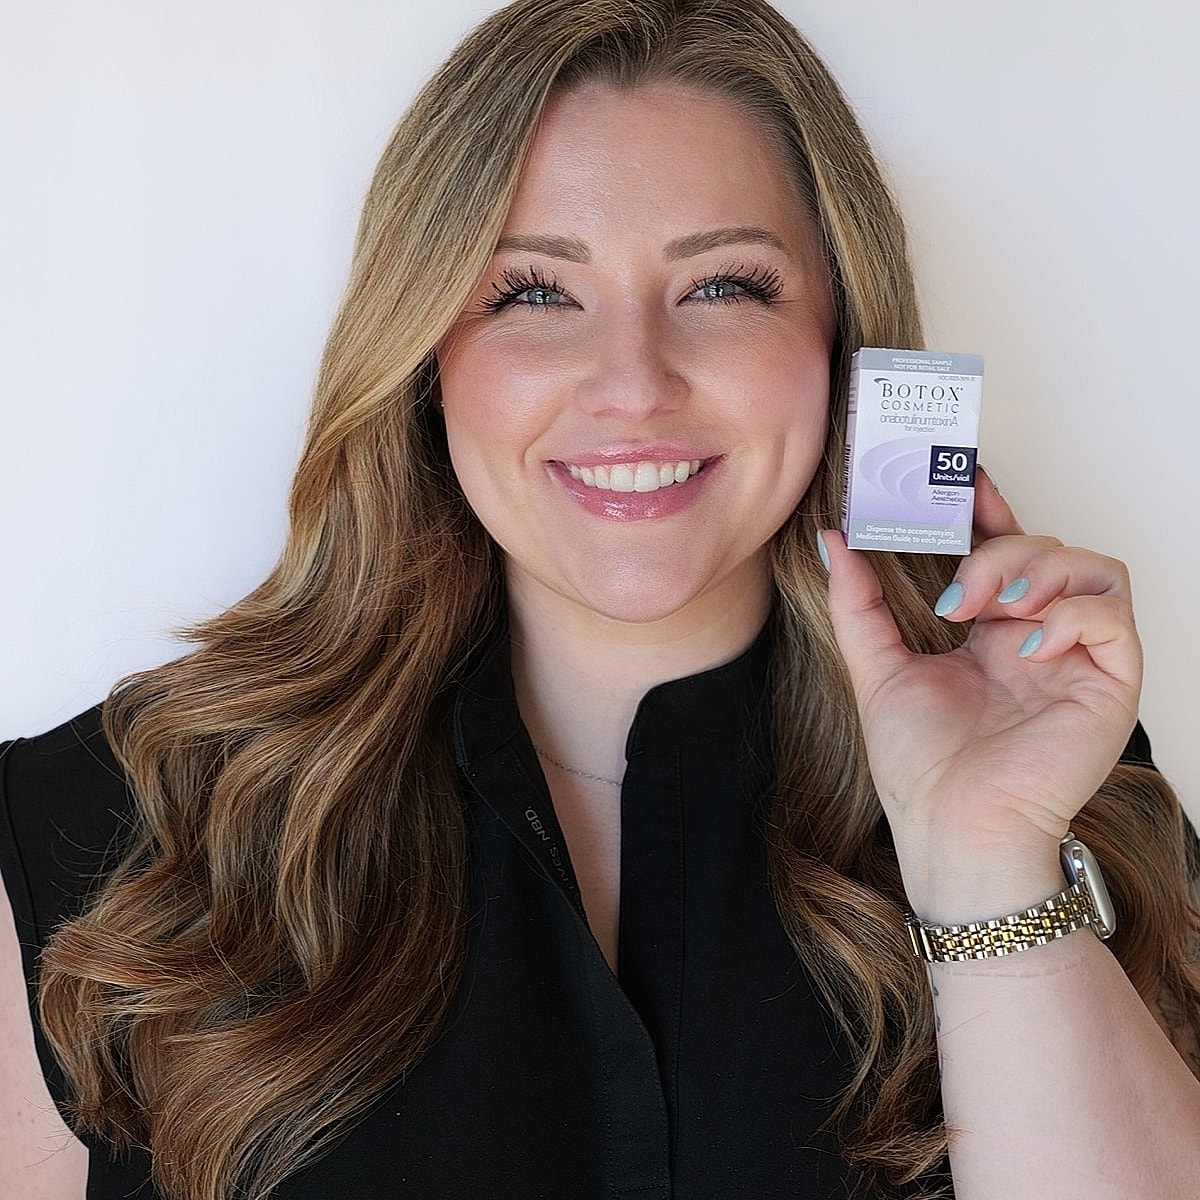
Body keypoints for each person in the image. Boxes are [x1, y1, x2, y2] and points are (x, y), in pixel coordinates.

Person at [3, 1, 1199, 1197]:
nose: (633, 385)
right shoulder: (107, 832)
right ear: (425, 357)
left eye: (725, 286)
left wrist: (987, 864)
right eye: (533, 294)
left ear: (848, 348)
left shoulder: (1062, 798)